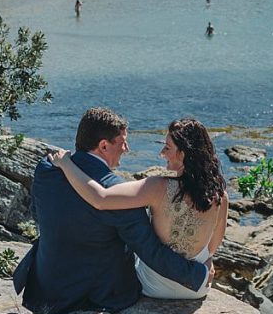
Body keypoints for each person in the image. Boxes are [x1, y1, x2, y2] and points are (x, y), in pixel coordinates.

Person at [12, 107, 210, 314]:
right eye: (123, 141)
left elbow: (39, 214)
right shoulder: (118, 193)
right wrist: (199, 274)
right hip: (95, 296)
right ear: (104, 145)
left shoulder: (46, 169)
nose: (127, 148)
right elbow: (151, 252)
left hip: (47, 289)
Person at [50, 118, 228, 300]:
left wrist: (66, 164)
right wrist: (205, 265)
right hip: (196, 288)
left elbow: (100, 198)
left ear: (183, 154)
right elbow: (212, 248)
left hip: (153, 285)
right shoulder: (220, 196)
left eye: (167, 148)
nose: (161, 153)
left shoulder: (158, 187)